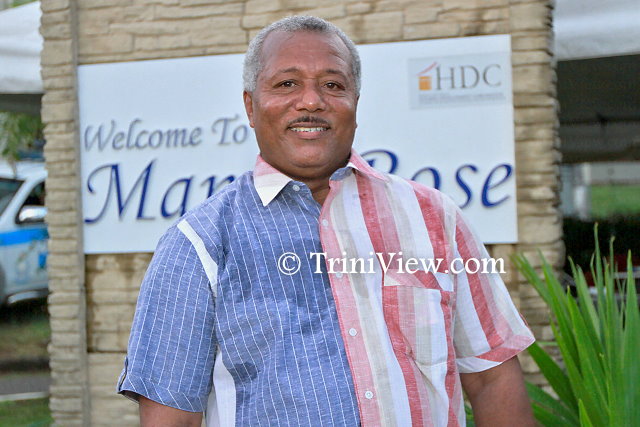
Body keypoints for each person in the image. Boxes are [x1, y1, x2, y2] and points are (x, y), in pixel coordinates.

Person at [117, 15, 536, 427]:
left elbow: (493, 379)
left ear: (356, 103)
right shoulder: (198, 243)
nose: (311, 101)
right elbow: (172, 418)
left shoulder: (432, 218)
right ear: (250, 105)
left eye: (333, 85)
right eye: (287, 84)